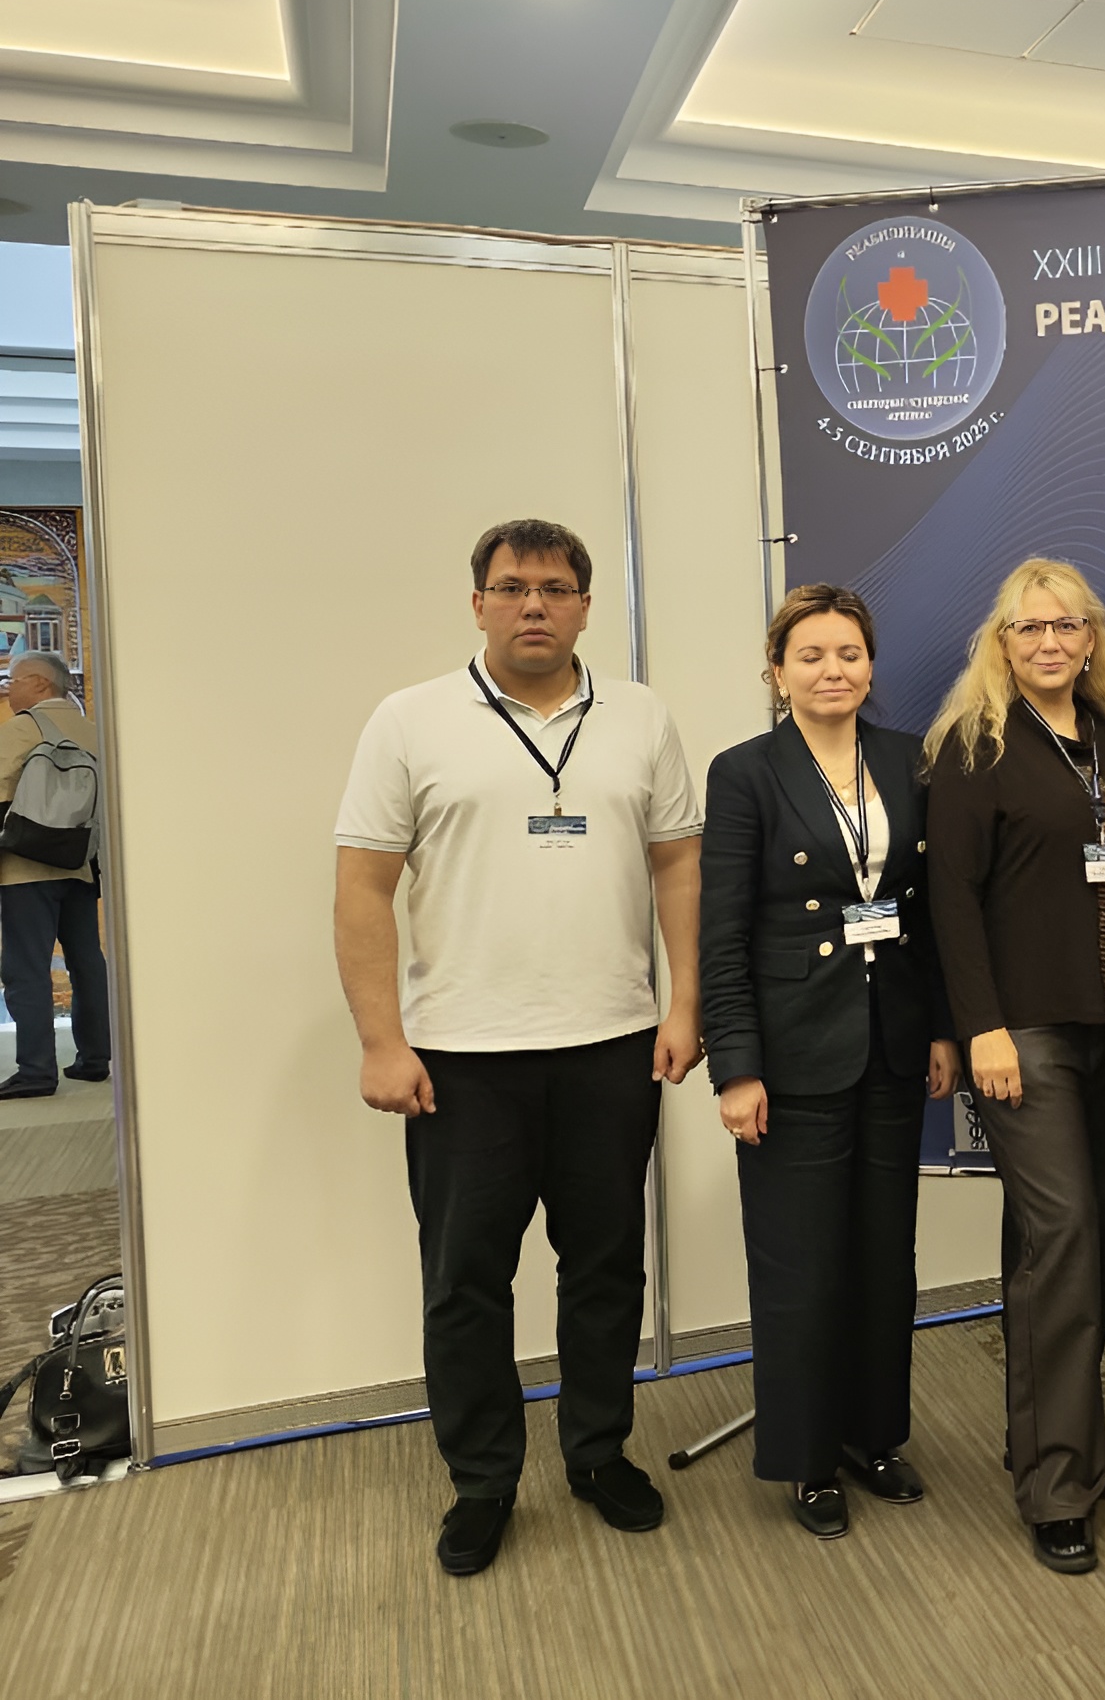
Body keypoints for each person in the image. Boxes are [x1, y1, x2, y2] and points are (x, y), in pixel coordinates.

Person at [332, 519, 703, 1578]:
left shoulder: (641, 716)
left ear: (585, 605)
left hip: (612, 1046)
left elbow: (679, 865)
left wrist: (684, 1004)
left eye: (553, 587)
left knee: (605, 1268)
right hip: (461, 1058)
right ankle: (484, 1479)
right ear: (478, 603)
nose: (532, 604)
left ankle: (597, 1452)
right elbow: (362, 888)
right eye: (510, 587)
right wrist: (381, 1040)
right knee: (465, 1281)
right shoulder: (409, 720)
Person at [699, 584, 960, 1540]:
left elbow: (928, 911)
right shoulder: (745, 773)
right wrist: (736, 1067)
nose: (832, 671)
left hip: (890, 1045)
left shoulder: (908, 759)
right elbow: (722, 932)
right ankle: (807, 1457)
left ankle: (871, 1435)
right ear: (777, 672)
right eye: (810, 656)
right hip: (792, 1054)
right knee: (802, 1268)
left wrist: (940, 1028)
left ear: (871, 665)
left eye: (849, 653)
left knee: (884, 1259)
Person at [924, 557, 1105, 1575]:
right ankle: (1057, 1484)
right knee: (1061, 1235)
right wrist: (981, 1027)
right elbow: (951, 900)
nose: (1050, 642)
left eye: (1066, 626)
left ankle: (1057, 1440)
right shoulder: (974, 747)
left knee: (1089, 1238)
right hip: (1026, 1035)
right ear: (1003, 643)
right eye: (1030, 628)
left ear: (1090, 639)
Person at [0, 653, 110, 1099]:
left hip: (25, 869)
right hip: (80, 864)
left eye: (13, 680)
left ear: (41, 684)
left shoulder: (23, 728)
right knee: (87, 962)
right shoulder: (95, 731)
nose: (8, 688)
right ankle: (95, 1058)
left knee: (26, 967)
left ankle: (35, 1071)